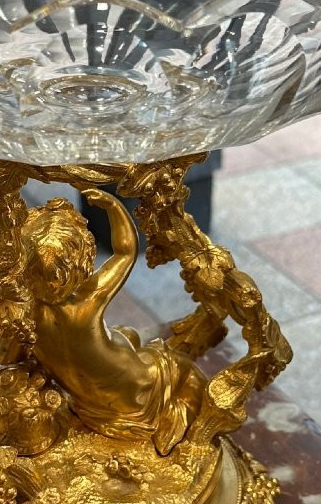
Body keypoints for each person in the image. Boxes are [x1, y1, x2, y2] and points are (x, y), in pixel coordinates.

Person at [20, 190, 206, 455]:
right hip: (139, 392)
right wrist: (114, 206)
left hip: (89, 407)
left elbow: (8, 356)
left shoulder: (25, 312)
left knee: (126, 334)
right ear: (77, 263)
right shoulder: (84, 303)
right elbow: (125, 252)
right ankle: (190, 434)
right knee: (184, 368)